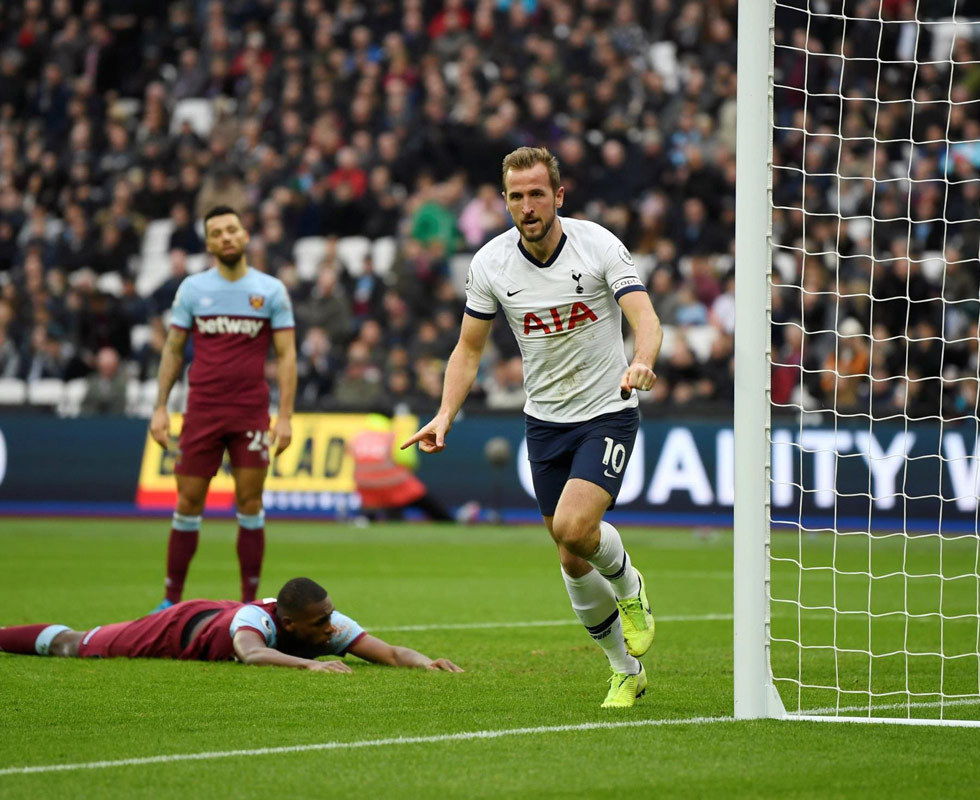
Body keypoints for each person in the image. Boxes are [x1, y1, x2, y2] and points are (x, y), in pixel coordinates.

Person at [403, 147, 662, 708]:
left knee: (574, 526)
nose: (527, 205)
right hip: (544, 421)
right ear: (505, 202)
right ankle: (625, 669)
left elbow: (645, 315)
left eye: (537, 193)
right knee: (570, 555)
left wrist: (641, 360)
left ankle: (628, 585)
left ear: (558, 196)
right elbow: (468, 351)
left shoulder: (598, 246)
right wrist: (445, 413)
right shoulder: (491, 263)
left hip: (607, 409)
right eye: (516, 196)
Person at [148, 205, 298, 612]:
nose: (227, 237)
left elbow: (286, 356)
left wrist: (284, 417)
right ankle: (170, 602)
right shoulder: (193, 290)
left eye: (232, 230)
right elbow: (174, 349)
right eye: (217, 233)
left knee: (250, 502)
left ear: (245, 235)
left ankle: (249, 602)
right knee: (188, 501)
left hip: (250, 411)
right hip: (202, 411)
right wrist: (160, 408)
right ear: (209, 243)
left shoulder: (270, 291)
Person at [0, 577, 462, 673]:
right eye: (320, 623)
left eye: (329, 619)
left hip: (215, 613)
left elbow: (391, 653)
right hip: (178, 627)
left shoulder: (327, 623)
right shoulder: (254, 622)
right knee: (73, 644)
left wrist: (426, 663)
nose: (330, 630)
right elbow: (251, 653)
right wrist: (311, 668)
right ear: (286, 622)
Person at [350, 408, 452, 521]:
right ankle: (448, 521)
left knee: (382, 510)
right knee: (427, 502)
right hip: (394, 484)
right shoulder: (394, 435)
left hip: (365, 487)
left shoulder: (357, 437)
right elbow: (409, 461)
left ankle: (369, 518)